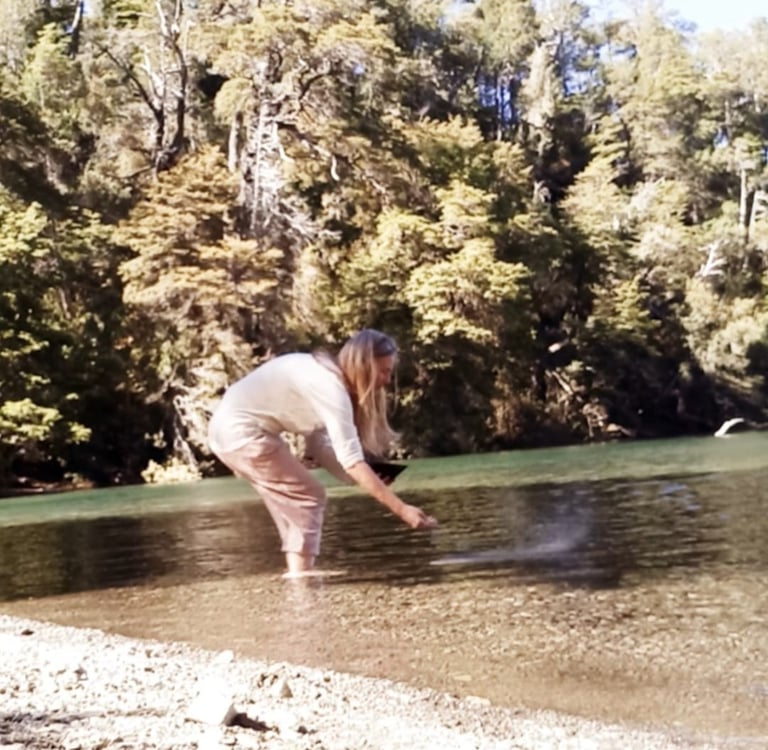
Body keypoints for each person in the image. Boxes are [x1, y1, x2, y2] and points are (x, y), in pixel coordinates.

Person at [208, 329, 437, 577]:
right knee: (308, 495)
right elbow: (351, 461)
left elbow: (319, 446)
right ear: (363, 365)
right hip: (239, 432)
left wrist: (365, 476)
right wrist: (402, 509)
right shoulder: (330, 389)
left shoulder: (322, 375)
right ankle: (301, 578)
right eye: (383, 371)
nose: (386, 379)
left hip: (228, 432)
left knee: (293, 503)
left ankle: (298, 577)